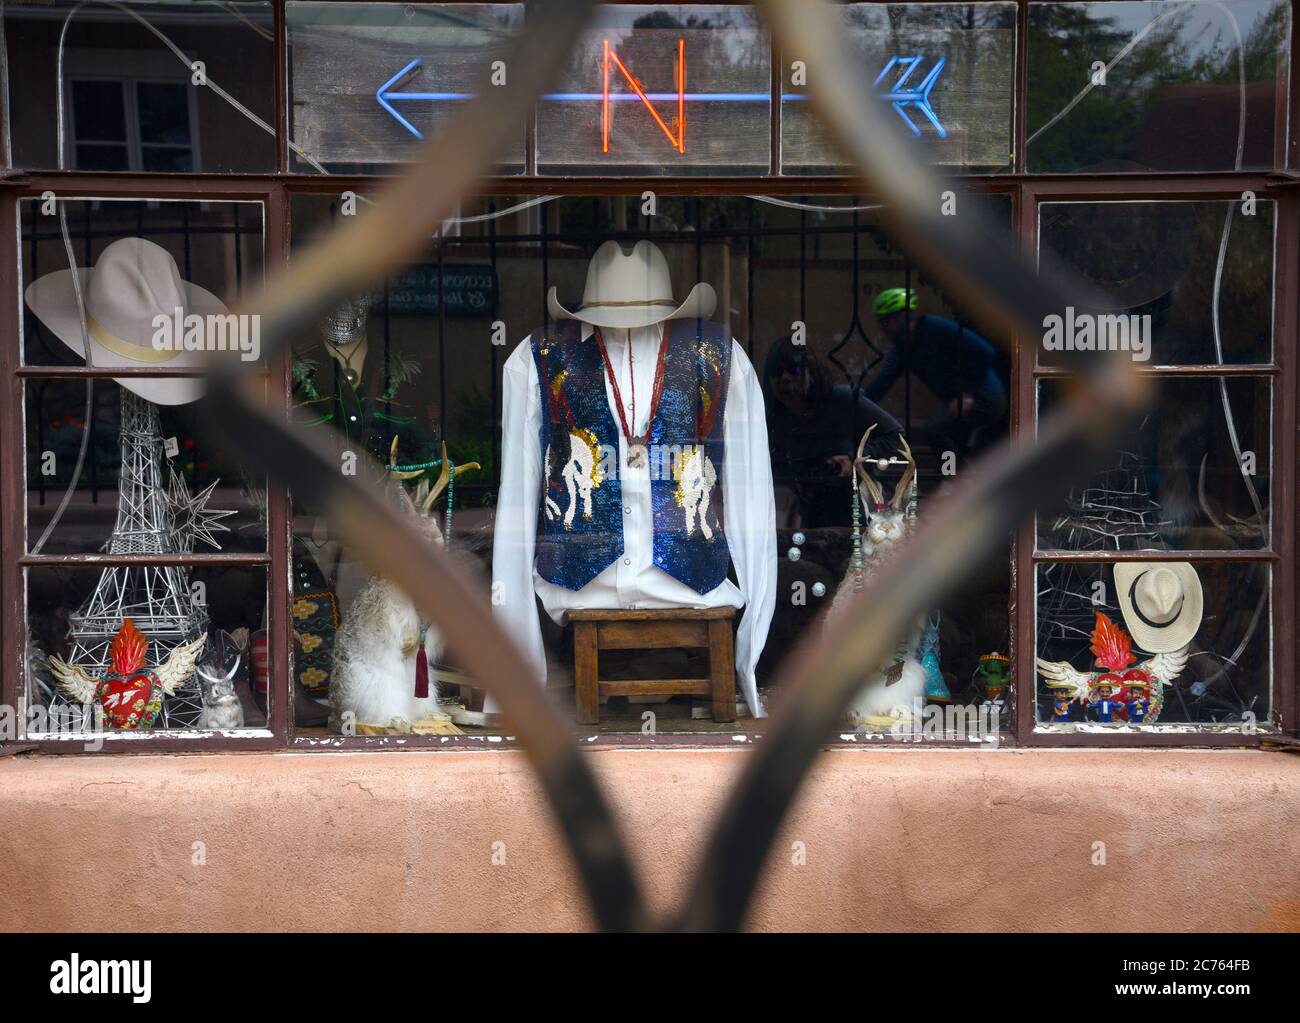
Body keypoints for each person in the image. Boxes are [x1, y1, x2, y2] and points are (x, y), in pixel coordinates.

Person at [762, 335, 904, 528]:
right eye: (777, 372)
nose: (785, 378)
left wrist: (855, 459)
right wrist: (795, 481)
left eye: (794, 369)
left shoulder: (841, 400)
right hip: (812, 519)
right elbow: (772, 461)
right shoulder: (776, 418)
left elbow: (894, 434)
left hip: (856, 515)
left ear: (810, 373)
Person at [862, 288, 1007, 457]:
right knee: (953, 439)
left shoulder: (933, 327)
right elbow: (882, 383)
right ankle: (962, 475)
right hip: (962, 401)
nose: (883, 328)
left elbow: (985, 351)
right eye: (880, 323)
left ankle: (955, 477)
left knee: (935, 430)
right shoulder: (901, 350)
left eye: (887, 321)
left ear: (905, 315)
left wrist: (968, 393)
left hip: (986, 395)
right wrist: (859, 403)